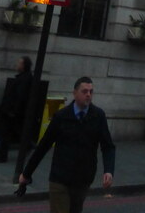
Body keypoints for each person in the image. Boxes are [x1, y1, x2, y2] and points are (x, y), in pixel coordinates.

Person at [20, 76, 115, 213]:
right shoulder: (61, 116)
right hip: (60, 178)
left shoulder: (98, 116)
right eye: (84, 91)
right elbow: (43, 146)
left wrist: (108, 170)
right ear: (74, 93)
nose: (88, 95)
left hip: (83, 179)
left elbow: (108, 146)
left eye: (91, 91)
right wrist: (26, 174)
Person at [0, 55, 33, 163]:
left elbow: (20, 96)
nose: (17, 65)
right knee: (14, 132)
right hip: (12, 111)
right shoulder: (23, 77)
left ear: (24, 66)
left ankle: (2, 156)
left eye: (19, 63)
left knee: (5, 133)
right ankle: (27, 145)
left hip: (12, 111)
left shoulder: (25, 78)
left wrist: (12, 110)